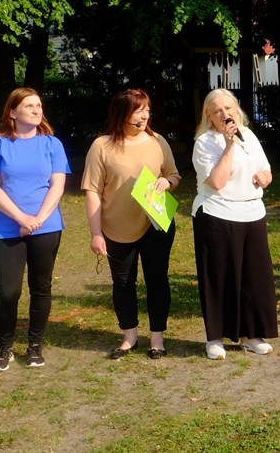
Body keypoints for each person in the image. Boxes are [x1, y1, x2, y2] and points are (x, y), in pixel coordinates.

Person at [82, 89, 180, 360]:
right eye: (139, 110)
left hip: (156, 225)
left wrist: (167, 182)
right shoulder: (101, 146)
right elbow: (92, 192)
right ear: (122, 113)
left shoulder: (158, 141)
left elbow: (174, 175)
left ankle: (157, 339)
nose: (145, 115)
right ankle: (129, 337)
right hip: (116, 229)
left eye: (147, 110)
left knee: (157, 280)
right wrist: (96, 233)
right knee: (123, 283)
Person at [0, 88, 71, 371]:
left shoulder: (52, 144)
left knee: (41, 288)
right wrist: (21, 218)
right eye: (29, 105)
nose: (36, 110)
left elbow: (57, 185)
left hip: (46, 227)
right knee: (8, 291)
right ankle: (5, 346)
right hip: (7, 229)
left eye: (39, 105)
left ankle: (35, 345)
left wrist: (38, 219)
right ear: (12, 112)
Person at [193, 89, 277, 359]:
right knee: (219, 278)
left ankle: (252, 335)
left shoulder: (249, 135)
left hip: (252, 213)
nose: (224, 114)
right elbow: (217, 182)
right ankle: (215, 338)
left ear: (237, 110)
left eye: (228, 108)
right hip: (218, 214)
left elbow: (266, 169)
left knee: (254, 278)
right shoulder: (204, 142)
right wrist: (229, 146)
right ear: (209, 116)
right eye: (217, 111)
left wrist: (265, 177)